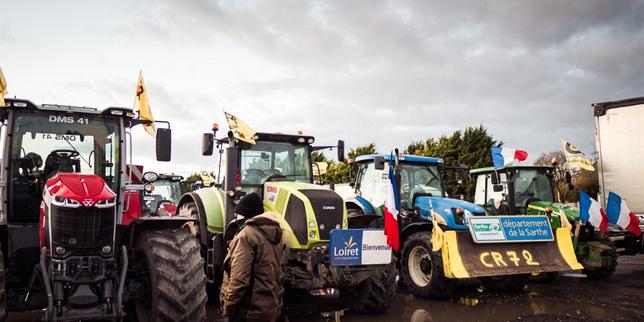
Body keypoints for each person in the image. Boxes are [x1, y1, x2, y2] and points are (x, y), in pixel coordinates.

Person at [221, 192, 285, 322]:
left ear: (246, 215)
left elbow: (239, 280)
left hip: (248, 313)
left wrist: (228, 310)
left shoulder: (247, 236)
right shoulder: (276, 234)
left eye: (238, 214)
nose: (236, 217)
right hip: (269, 311)